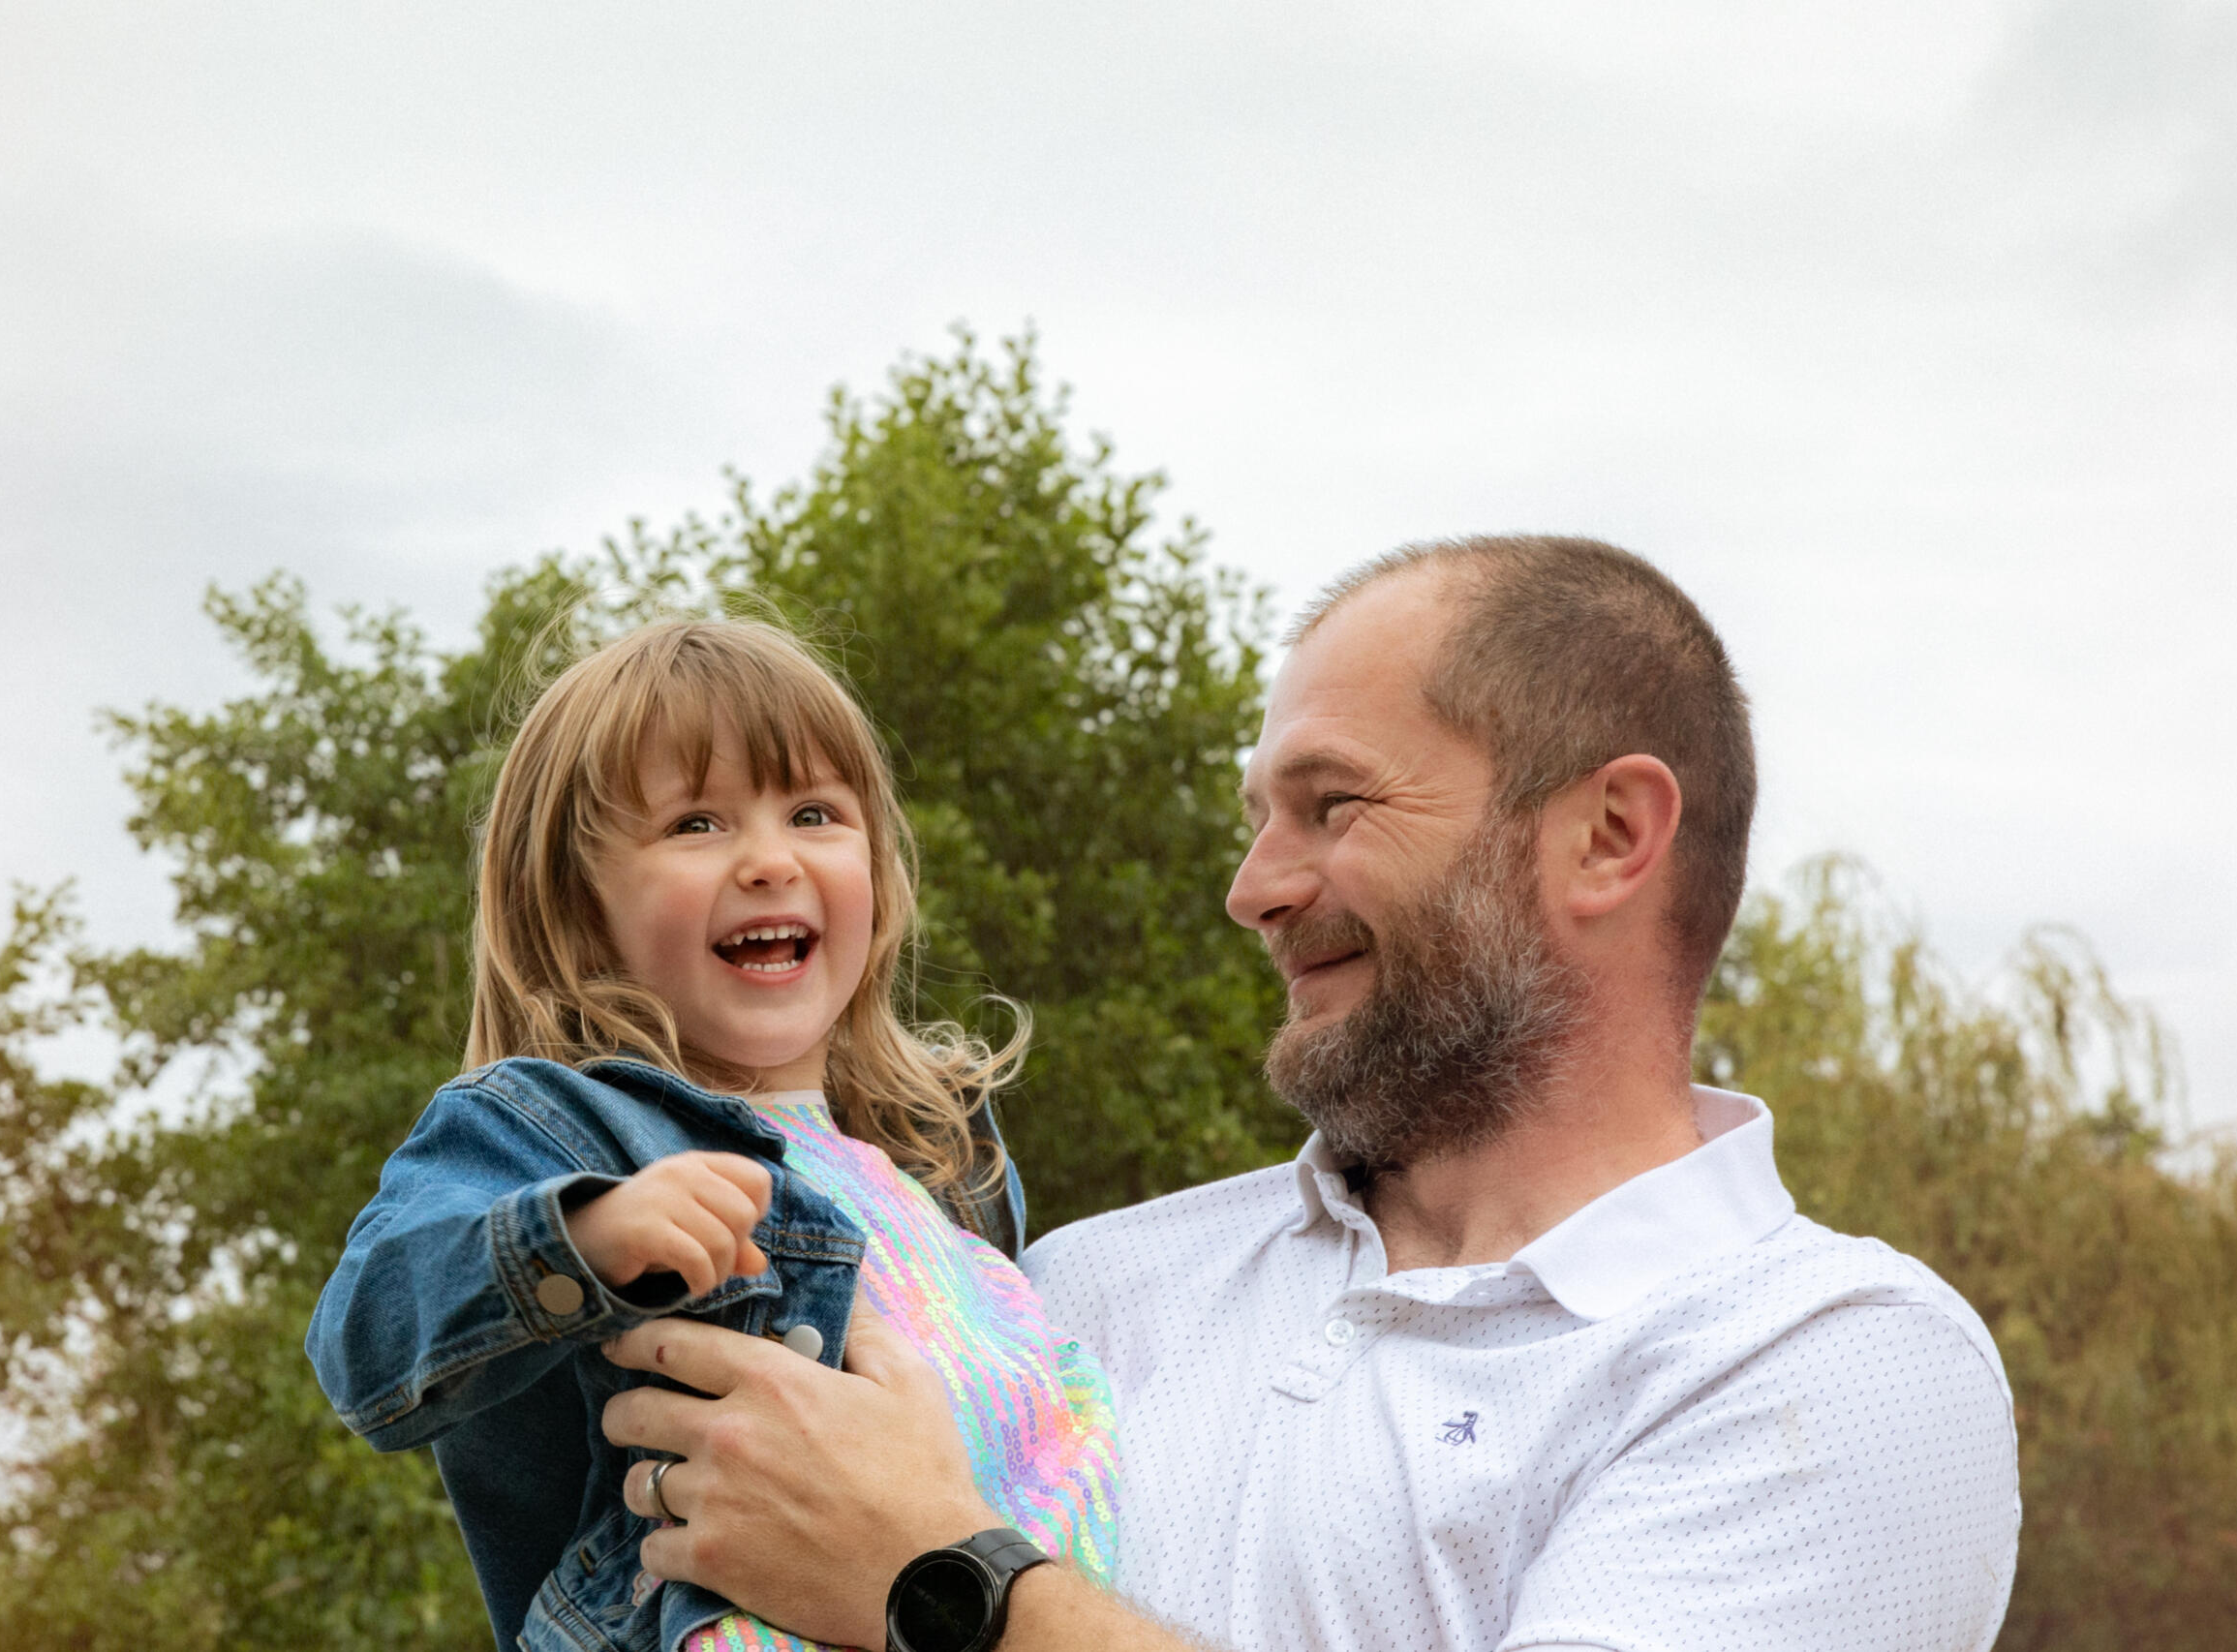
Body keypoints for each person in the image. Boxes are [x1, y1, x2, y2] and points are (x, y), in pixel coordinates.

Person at [595, 536, 2023, 1652]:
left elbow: (901, 1559)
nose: (1253, 890)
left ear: (1608, 836)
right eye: (1258, 819)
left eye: (1333, 805)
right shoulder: (1082, 1288)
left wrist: (946, 1579)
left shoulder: (1828, 1362)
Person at [304, 619, 1117, 1652]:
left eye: (814, 811)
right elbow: (365, 1332)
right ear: (577, 902)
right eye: (697, 823)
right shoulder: (559, 1129)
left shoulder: (939, 1156)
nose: (770, 860)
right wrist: (587, 1236)